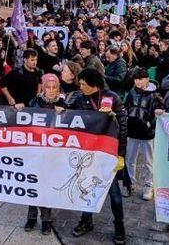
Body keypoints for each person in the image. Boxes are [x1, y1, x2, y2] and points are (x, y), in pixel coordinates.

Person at [65, 68, 128, 245]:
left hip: (108, 154)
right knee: (85, 189)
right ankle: (86, 221)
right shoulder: (78, 97)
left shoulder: (112, 97)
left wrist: (121, 154)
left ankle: (119, 228)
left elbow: (123, 127)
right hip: (88, 154)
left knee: (114, 195)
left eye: (84, 84)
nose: (81, 86)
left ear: (94, 85)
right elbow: (68, 117)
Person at [21, 73, 66, 234]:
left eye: (55, 87)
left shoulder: (64, 103)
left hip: (52, 154)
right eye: (48, 87)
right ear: (43, 87)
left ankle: (46, 219)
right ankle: (31, 217)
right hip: (35, 152)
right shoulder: (34, 102)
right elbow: (24, 122)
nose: (51, 90)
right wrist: (19, 110)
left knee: (46, 186)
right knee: (33, 185)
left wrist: (64, 113)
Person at [123, 67, 162, 200]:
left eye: (140, 79)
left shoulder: (154, 95)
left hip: (147, 133)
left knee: (148, 162)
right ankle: (130, 184)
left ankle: (148, 186)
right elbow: (126, 106)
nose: (137, 82)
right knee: (130, 160)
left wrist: (151, 123)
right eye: (135, 79)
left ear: (147, 79)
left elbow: (160, 112)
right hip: (132, 130)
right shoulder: (131, 92)